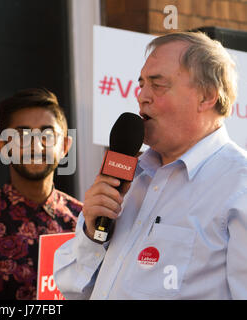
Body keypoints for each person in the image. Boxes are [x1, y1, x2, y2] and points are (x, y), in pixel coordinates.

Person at [54, 31, 247, 299]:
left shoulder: (239, 185)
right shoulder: (129, 175)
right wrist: (92, 233)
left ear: (207, 96)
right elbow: (73, 289)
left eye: (158, 85)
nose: (142, 96)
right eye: (141, 84)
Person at [0, 88, 83, 300]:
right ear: (3, 146)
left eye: (47, 135)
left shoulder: (83, 221)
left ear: (64, 146)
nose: (35, 145)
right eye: (22, 135)